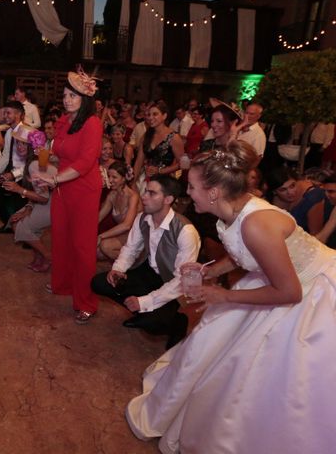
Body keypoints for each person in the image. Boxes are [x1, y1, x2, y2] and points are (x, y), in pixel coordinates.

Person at [127, 141, 336, 453]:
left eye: (192, 187)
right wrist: (210, 270)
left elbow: (289, 292)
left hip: (310, 291)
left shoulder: (257, 223)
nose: (189, 193)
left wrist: (224, 296)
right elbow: (244, 253)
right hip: (278, 280)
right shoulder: (233, 209)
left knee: (269, 380)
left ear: (213, 192)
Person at [91, 175, 199, 349]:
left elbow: (182, 280)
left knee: (153, 325)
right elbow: (130, 249)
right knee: (100, 283)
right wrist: (118, 269)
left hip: (171, 282)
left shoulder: (185, 231)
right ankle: (142, 310)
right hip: (147, 272)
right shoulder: (143, 218)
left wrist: (145, 301)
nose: (144, 196)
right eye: (145, 191)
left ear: (168, 199)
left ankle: (177, 322)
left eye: (151, 193)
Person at [34, 68, 102, 324]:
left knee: (82, 246)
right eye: (64, 95)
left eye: (73, 95)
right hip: (63, 187)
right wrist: (47, 155)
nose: (67, 99)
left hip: (83, 189)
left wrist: (54, 179)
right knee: (61, 238)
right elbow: (62, 152)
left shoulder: (92, 123)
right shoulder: (65, 121)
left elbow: (85, 162)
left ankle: (86, 302)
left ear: (85, 98)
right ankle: (63, 284)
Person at [8, 141, 56, 273]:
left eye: (24, 144)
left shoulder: (34, 164)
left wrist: (19, 190)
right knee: (16, 220)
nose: (19, 147)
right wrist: (28, 208)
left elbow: (44, 197)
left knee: (20, 225)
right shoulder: (31, 162)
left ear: (32, 146)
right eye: (17, 144)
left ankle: (48, 257)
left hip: (57, 203)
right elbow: (38, 194)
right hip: (45, 201)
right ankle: (39, 257)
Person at [0, 101, 33, 233]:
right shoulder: (9, 132)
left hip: (25, 175)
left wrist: (14, 174)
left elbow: (31, 161)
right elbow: (6, 155)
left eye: (9, 113)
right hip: (11, 173)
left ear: (19, 114)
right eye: (4, 112)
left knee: (21, 206)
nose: (5, 116)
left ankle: (26, 234)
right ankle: (10, 225)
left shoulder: (28, 132)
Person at [133, 101, 184, 191]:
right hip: (145, 180)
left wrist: (160, 171)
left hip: (164, 183)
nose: (150, 117)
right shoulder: (146, 135)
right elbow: (138, 161)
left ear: (164, 116)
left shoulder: (174, 137)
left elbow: (182, 164)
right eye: (149, 115)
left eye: (155, 114)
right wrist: (133, 182)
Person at [97, 161, 140, 261]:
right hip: (123, 235)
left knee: (105, 246)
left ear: (124, 178)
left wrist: (101, 236)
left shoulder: (133, 196)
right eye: (109, 176)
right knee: (96, 252)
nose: (110, 180)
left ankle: (130, 266)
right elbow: (98, 218)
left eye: (114, 177)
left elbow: (127, 225)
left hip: (137, 235)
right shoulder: (112, 195)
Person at [265, 166, 325, 234]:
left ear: (297, 181)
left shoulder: (312, 196)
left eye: (292, 185)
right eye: (283, 189)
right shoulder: (273, 200)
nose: (290, 192)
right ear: (274, 192)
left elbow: (316, 234)